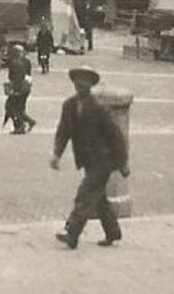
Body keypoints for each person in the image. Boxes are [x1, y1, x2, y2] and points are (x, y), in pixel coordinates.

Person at [50, 66, 128, 248]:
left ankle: (72, 232)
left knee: (84, 194)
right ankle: (113, 232)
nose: (80, 84)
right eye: (77, 81)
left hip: (103, 161)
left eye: (84, 81)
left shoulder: (98, 108)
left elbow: (115, 136)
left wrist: (123, 162)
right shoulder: (68, 105)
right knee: (98, 199)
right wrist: (56, 154)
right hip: (87, 160)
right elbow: (63, 132)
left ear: (91, 85)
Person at [3, 43, 36, 135]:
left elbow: (17, 78)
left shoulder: (15, 64)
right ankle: (28, 122)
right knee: (19, 108)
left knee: (10, 107)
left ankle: (20, 126)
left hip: (20, 89)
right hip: (25, 88)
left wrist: (15, 91)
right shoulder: (21, 62)